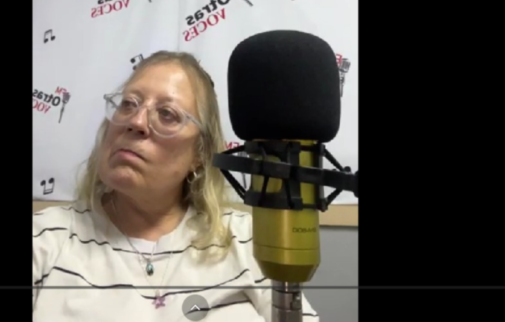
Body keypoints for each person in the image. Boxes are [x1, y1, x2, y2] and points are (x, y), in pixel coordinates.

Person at [33, 51, 319, 320]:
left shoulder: (248, 241)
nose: (136, 121)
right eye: (128, 104)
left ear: (199, 155)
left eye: (167, 113)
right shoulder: (45, 240)